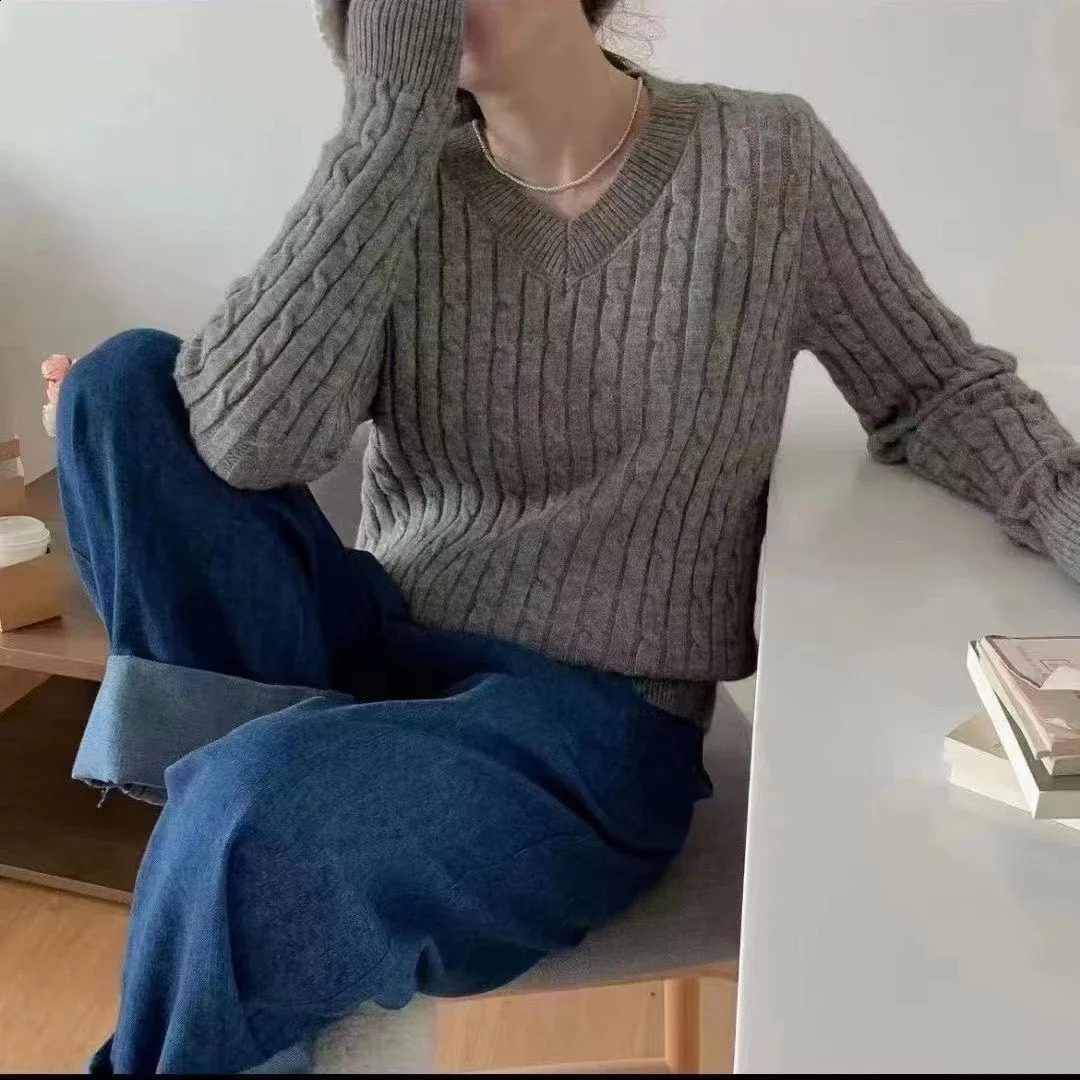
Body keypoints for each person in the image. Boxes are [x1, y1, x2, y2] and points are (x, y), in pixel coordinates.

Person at [49, 0, 1079, 1072]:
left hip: (593, 725)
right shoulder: (398, 181)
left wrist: (1066, 507)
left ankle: (253, 838)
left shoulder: (766, 158)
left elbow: (935, 388)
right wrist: (387, 130)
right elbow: (251, 443)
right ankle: (264, 833)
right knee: (120, 388)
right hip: (382, 645)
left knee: (250, 809)